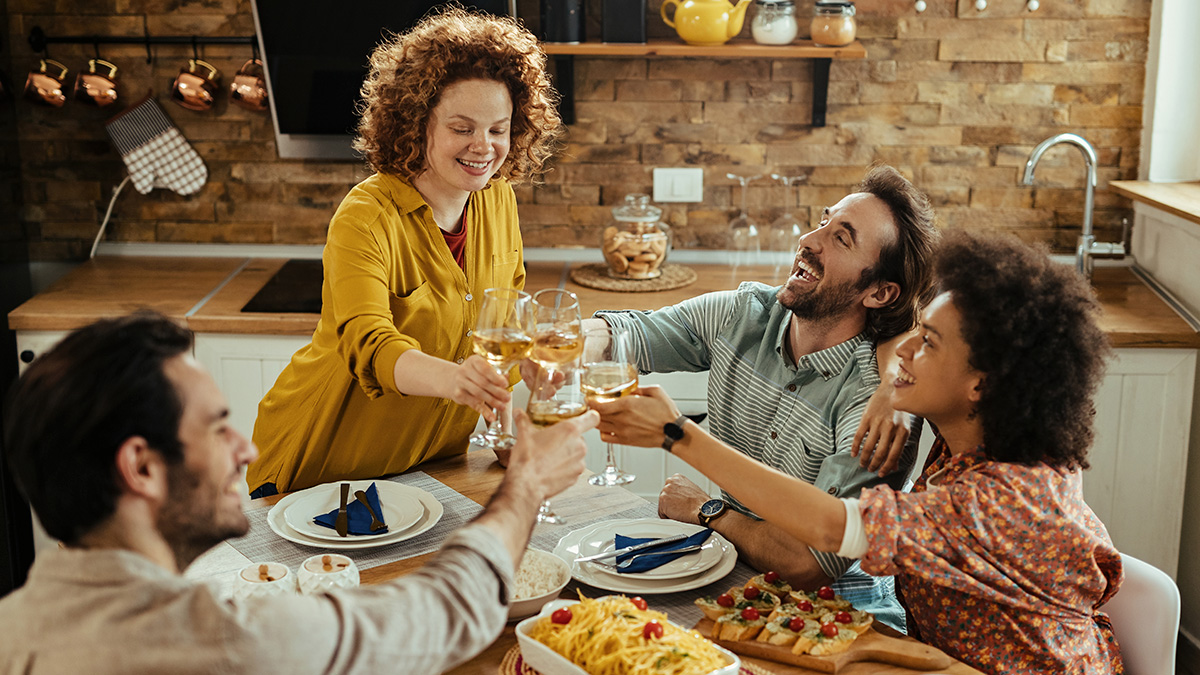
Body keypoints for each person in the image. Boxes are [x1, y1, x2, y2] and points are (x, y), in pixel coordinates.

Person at [593, 230, 1124, 674]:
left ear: (982, 384)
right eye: (913, 334)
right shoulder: (977, 440)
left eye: (929, 343)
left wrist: (677, 434)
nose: (905, 350)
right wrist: (895, 375)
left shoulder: (1005, 499)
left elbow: (830, 530)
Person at [0, 312, 596, 674]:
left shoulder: (14, 624)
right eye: (215, 427)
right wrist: (528, 484)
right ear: (142, 468)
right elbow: (440, 613)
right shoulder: (225, 641)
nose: (248, 450)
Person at [583, 164, 938, 629]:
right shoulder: (743, 314)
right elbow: (626, 333)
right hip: (741, 587)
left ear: (878, 292)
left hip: (841, 619)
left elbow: (810, 565)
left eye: (842, 239)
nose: (810, 240)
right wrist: (570, 338)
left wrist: (710, 511)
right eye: (822, 222)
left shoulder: (873, 406)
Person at [248, 7, 563, 496]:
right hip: (323, 469)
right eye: (462, 128)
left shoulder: (498, 201)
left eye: (498, 128)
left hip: (430, 472)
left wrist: (505, 427)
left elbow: (503, 330)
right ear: (418, 124)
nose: (484, 146)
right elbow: (368, 343)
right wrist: (458, 381)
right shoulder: (366, 216)